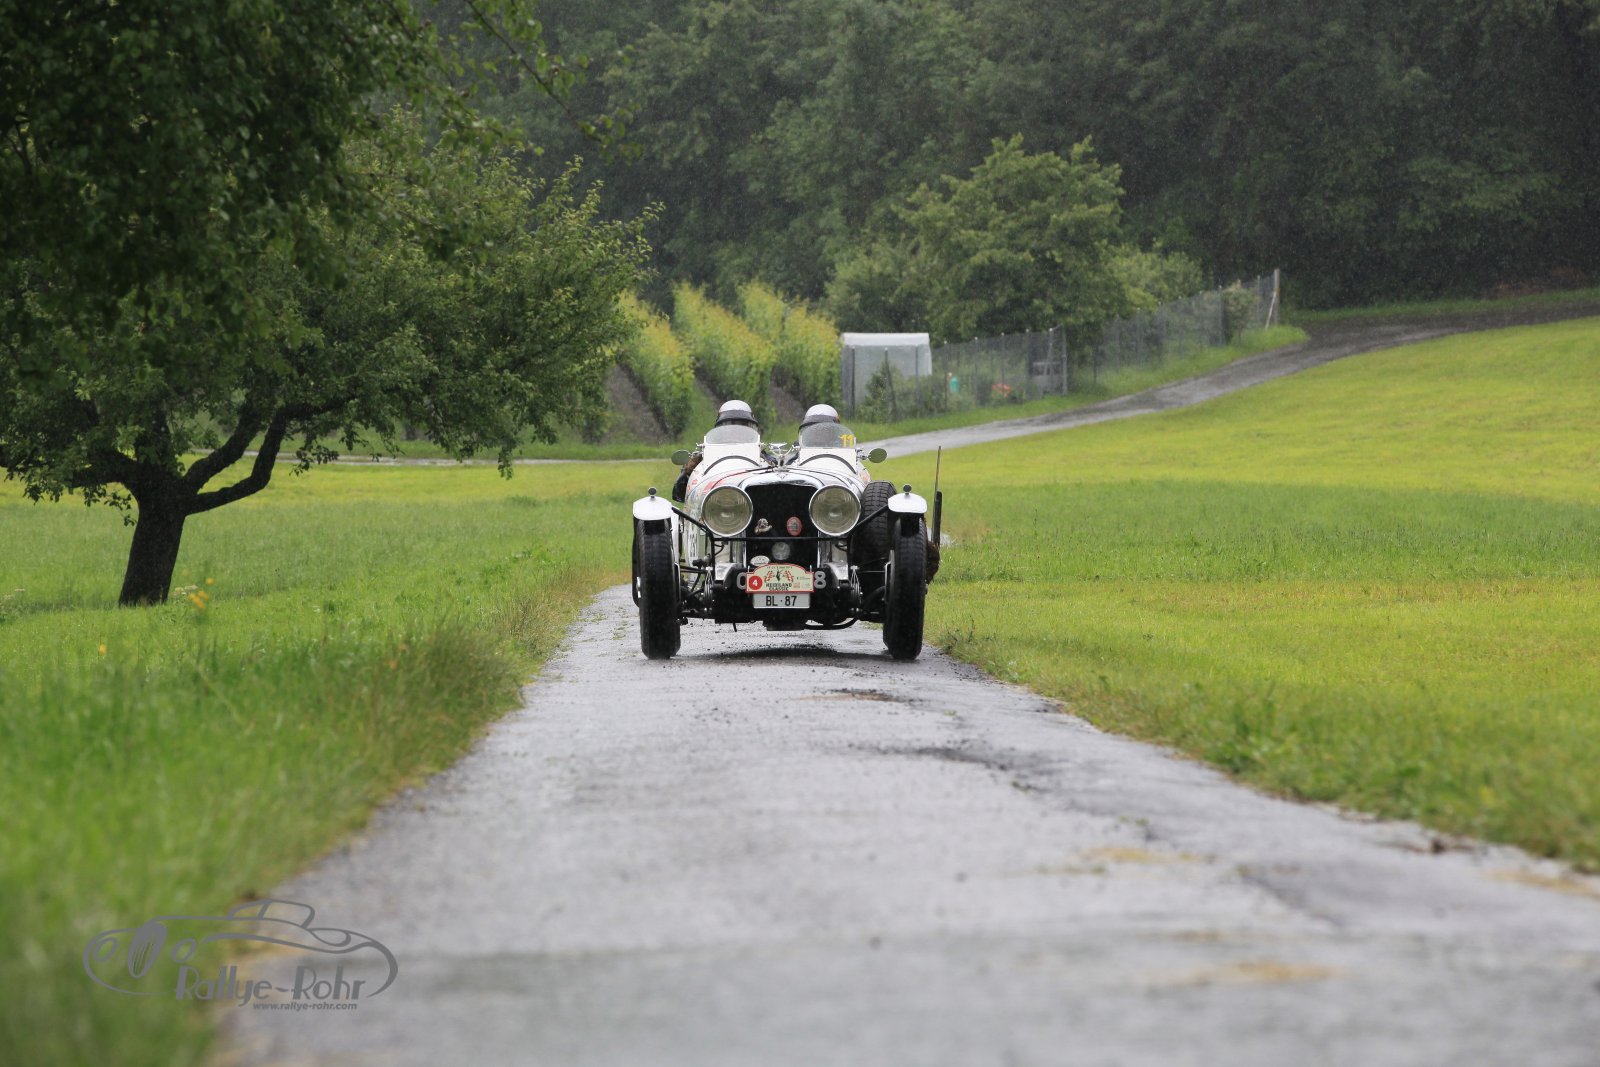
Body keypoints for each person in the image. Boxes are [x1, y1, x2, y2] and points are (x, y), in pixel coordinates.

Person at [672, 399, 766, 501]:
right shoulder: (705, 457)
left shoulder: (761, 457)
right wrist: (687, 473)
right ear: (721, 430)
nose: (736, 432)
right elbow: (679, 495)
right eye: (730, 427)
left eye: (742, 426)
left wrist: (770, 462)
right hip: (714, 506)